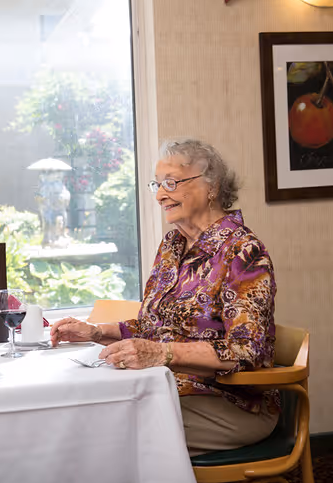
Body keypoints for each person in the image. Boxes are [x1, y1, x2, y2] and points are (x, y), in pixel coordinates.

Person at [51, 138, 279, 456]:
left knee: (104, 429)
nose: (160, 195)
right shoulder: (172, 246)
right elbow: (154, 328)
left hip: (232, 403)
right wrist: (95, 332)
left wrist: (162, 354)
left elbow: (244, 352)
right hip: (165, 389)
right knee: (85, 412)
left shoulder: (243, 252)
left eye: (171, 183)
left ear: (210, 186)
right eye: (157, 185)